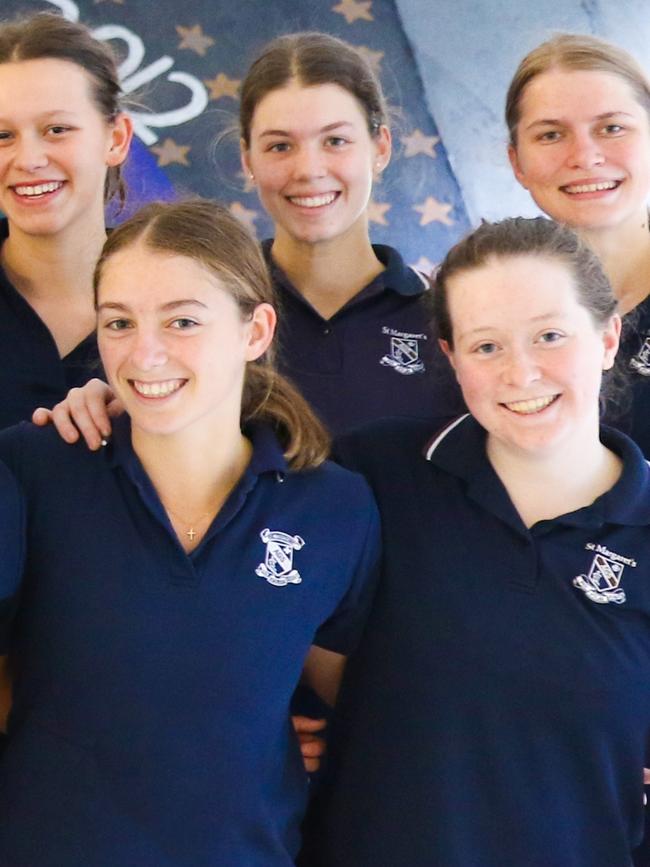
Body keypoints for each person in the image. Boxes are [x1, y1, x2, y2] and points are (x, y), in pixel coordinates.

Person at [0, 199, 380, 866]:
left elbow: (355, 688)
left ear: (255, 328)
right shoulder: (32, 470)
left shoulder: (333, 508)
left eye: (182, 320)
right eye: (119, 322)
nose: (145, 353)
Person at [302, 217, 650, 867]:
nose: (521, 373)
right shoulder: (371, 474)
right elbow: (227, 528)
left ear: (606, 338)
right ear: (451, 355)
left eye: (550, 336)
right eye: (486, 346)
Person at [33, 30, 464, 446]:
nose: (309, 169)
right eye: (280, 146)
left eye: (335, 140)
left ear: (380, 148)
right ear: (247, 159)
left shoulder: (447, 318)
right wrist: (101, 405)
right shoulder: (202, 305)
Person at [506, 33, 650, 455]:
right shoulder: (490, 305)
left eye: (612, 128)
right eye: (551, 135)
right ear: (517, 161)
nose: (585, 156)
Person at [0, 11, 132, 429]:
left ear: (116, 139)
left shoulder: (189, 297)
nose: (30, 160)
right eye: (2, 136)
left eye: (57, 129)